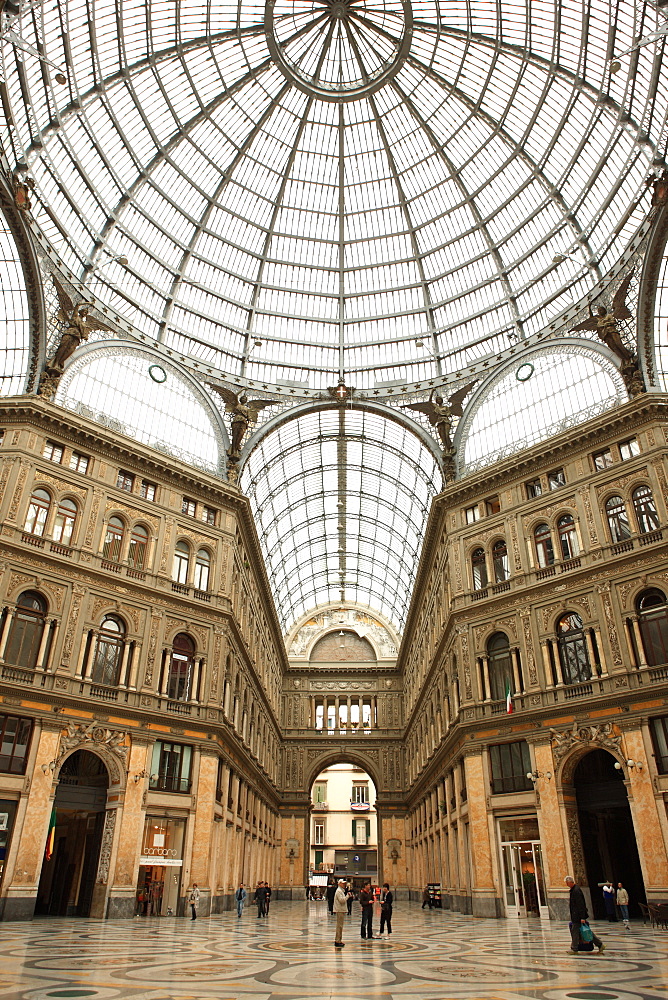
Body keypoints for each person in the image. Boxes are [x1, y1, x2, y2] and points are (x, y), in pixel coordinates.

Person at [565, 875, 604, 954]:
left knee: (577, 932)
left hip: (578, 916)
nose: (566, 884)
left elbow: (581, 904)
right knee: (585, 932)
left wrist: (582, 917)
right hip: (576, 916)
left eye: (567, 883)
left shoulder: (576, 891)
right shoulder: (574, 890)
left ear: (570, 882)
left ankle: (574, 949)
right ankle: (599, 944)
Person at [333, 878, 348, 948]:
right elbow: (342, 900)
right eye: (342, 883)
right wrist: (347, 896)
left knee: (340, 926)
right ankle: (337, 940)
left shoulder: (341, 891)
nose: (344, 884)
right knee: (339, 926)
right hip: (339, 910)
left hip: (341, 910)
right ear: (339, 884)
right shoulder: (339, 891)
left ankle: (339, 940)